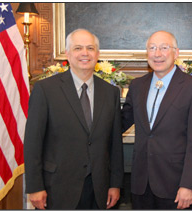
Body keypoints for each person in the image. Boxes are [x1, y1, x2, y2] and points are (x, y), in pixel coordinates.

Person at [24, 29, 124, 209]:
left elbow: (115, 143)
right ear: (68, 54)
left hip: (99, 189)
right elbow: (33, 142)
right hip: (58, 188)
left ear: (97, 54)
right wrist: (35, 186)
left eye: (90, 48)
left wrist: (115, 184)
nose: (85, 53)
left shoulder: (111, 93)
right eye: (78, 48)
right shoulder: (45, 90)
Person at [122, 31, 192, 209]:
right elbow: (119, 123)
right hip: (140, 184)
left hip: (175, 185)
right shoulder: (137, 86)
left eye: (164, 48)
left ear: (176, 53)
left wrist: (188, 184)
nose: (157, 53)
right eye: (152, 48)